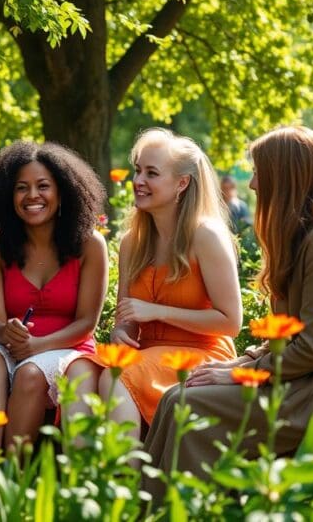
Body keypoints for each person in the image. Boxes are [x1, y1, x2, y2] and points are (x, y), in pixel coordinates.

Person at [142, 126, 313, 498]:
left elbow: (311, 349)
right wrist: (237, 364)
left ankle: (181, 508)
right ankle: (158, 510)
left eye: (258, 172)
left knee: (191, 405)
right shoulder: (311, 236)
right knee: (177, 397)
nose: (251, 184)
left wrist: (241, 374)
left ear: (285, 177)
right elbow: (293, 338)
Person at [85, 128, 241, 441]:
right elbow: (126, 320)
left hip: (202, 354)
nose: (138, 181)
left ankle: (124, 483)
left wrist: (156, 311)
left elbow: (231, 323)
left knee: (118, 377)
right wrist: (121, 334)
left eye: (152, 173)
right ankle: (81, 477)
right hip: (148, 355)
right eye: (138, 170)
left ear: (182, 183)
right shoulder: (132, 242)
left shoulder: (205, 236)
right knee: (81, 373)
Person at [0, 141, 108, 453]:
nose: (32, 196)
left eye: (43, 186)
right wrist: (8, 332)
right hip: (11, 348)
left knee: (31, 373)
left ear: (63, 191)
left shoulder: (90, 245)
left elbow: (86, 324)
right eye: (21, 188)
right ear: (7, 195)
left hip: (69, 349)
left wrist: (36, 346)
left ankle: (14, 477)